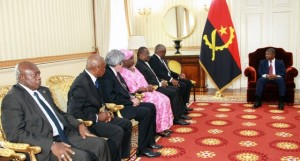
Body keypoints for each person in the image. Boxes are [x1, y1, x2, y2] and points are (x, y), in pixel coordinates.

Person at [1, 61, 111, 161]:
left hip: (65, 134)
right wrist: (51, 145)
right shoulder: (12, 99)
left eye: (39, 74)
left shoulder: (43, 91)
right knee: (82, 157)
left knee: (100, 144)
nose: (39, 78)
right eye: (35, 75)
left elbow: (59, 113)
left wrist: (79, 124)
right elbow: (15, 134)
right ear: (22, 77)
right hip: (43, 144)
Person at [67, 54, 132, 161]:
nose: (105, 70)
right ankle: (109, 158)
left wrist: (106, 112)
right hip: (87, 122)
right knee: (117, 131)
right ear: (96, 68)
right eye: (104, 67)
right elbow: (73, 113)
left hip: (98, 117)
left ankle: (122, 157)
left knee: (126, 124)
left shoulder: (95, 79)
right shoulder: (80, 85)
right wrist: (97, 117)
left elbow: (98, 102)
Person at [99, 49, 162, 158]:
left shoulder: (115, 72)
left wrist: (132, 96)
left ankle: (149, 141)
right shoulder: (107, 76)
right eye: (122, 63)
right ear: (117, 63)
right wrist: (130, 101)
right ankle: (142, 149)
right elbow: (111, 98)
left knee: (151, 107)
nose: (123, 64)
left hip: (126, 102)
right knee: (146, 112)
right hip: (120, 108)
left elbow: (124, 90)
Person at [119, 49, 174, 137]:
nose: (133, 61)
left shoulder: (134, 68)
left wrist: (149, 86)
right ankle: (159, 129)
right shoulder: (122, 73)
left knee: (165, 99)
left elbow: (143, 80)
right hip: (140, 95)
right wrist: (146, 89)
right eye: (131, 59)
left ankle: (164, 126)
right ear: (124, 61)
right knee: (160, 102)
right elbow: (132, 89)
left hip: (148, 90)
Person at [136, 47, 191, 125]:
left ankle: (180, 113)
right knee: (173, 92)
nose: (149, 55)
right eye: (147, 53)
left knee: (176, 90)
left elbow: (154, 75)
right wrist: (160, 84)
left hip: (159, 83)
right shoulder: (139, 65)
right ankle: (176, 118)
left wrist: (161, 81)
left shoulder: (145, 62)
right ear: (141, 55)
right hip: (154, 87)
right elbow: (147, 80)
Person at [149, 44, 193, 112]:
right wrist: (171, 79)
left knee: (188, 82)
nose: (165, 53)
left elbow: (168, 71)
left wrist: (178, 75)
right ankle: (182, 108)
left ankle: (184, 104)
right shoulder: (152, 59)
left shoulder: (163, 59)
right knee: (182, 85)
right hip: (164, 80)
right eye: (165, 52)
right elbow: (159, 73)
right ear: (161, 51)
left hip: (170, 78)